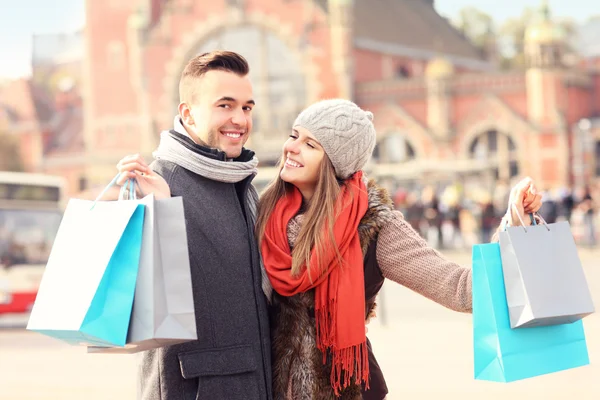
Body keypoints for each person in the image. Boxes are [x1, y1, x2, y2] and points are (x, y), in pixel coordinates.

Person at [255, 99, 542, 400]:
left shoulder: (375, 225)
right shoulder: (262, 213)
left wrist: (514, 224)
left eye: (310, 144)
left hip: (346, 389)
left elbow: (462, 291)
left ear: (334, 162)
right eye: (293, 136)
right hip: (266, 386)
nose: (292, 148)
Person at [116, 51, 272, 400]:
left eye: (247, 108)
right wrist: (158, 212)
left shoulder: (242, 182)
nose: (240, 119)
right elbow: (137, 305)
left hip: (253, 383)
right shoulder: (159, 183)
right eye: (225, 106)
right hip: (194, 389)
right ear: (187, 112)